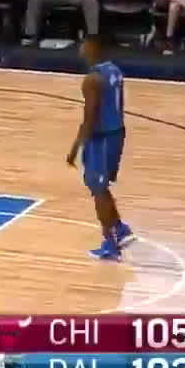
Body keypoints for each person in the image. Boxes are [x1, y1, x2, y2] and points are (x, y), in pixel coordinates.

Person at [66, 36, 135, 261]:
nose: (80, 50)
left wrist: (75, 147)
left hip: (101, 138)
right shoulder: (114, 70)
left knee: (98, 190)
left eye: (83, 46)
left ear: (93, 48)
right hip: (117, 133)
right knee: (101, 188)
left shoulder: (92, 79)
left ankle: (110, 244)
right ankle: (120, 228)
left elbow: (90, 117)